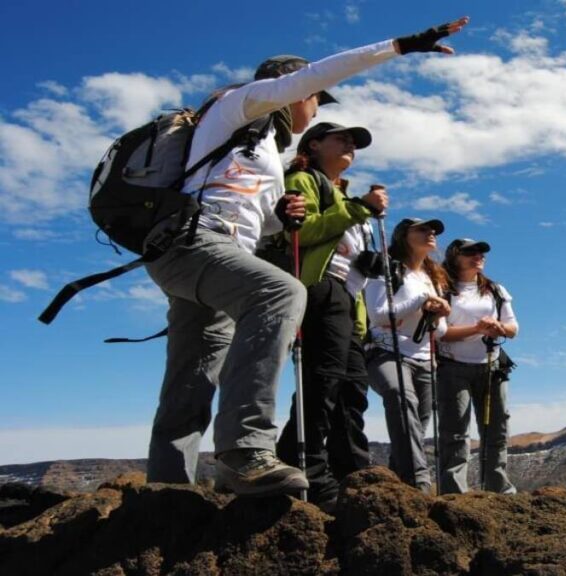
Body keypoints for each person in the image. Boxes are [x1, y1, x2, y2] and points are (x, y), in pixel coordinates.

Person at [143, 17, 470, 497]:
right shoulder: (238, 107)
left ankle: (166, 492)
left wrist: (280, 214)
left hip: (215, 256)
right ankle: (244, 451)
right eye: (314, 98)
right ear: (290, 90)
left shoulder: (266, 154)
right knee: (279, 291)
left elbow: (257, 218)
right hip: (195, 244)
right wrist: (399, 46)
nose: (315, 108)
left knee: (193, 374)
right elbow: (314, 75)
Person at [273, 122, 386, 510]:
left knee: (352, 389)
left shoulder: (341, 194)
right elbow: (300, 234)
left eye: (354, 143)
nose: (351, 146)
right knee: (322, 383)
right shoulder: (303, 179)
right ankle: (305, 469)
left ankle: (353, 473)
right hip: (320, 291)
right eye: (343, 139)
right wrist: (359, 210)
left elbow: (344, 248)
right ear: (315, 144)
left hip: (348, 299)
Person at [365, 218, 450, 492]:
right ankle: (420, 484)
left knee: (415, 425)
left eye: (433, 230)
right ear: (403, 236)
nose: (431, 233)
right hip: (385, 351)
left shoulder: (432, 276)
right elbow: (377, 315)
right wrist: (419, 301)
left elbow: (440, 331)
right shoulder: (385, 268)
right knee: (401, 399)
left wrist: (437, 315)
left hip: (425, 358)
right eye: (423, 229)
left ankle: (397, 485)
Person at [437, 238, 518, 495]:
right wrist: (478, 329)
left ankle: (498, 488)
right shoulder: (441, 288)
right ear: (454, 256)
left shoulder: (495, 290)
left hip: (492, 365)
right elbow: (441, 333)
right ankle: (454, 492)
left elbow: (513, 329)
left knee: (496, 428)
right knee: (455, 431)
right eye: (470, 252)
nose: (478, 256)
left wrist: (499, 328)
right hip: (452, 366)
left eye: (481, 252)